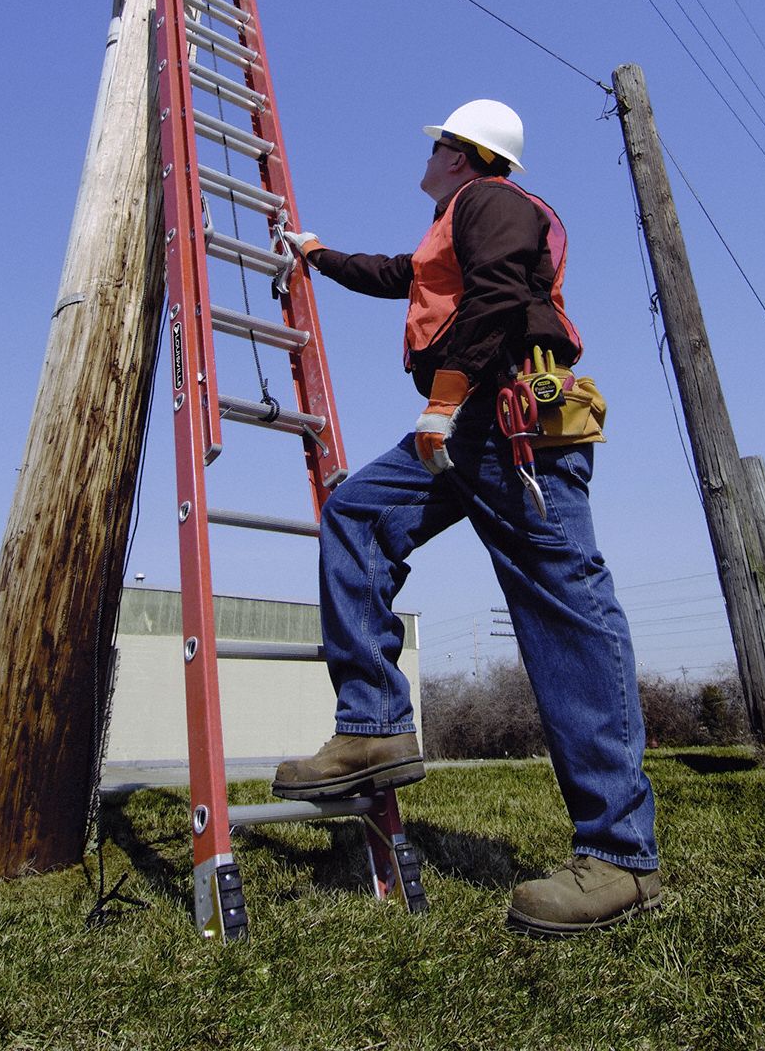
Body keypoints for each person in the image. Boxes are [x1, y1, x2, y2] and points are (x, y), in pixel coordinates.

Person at [272, 100, 660, 935]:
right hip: (471, 427)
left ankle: (622, 857)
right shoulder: (455, 219)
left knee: (566, 620)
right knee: (356, 515)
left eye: (438, 142)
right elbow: (399, 276)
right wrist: (318, 255)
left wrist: (444, 403)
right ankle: (373, 728)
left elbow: (497, 296)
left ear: (464, 154)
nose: (429, 153)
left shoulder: (492, 203)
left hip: (506, 423)